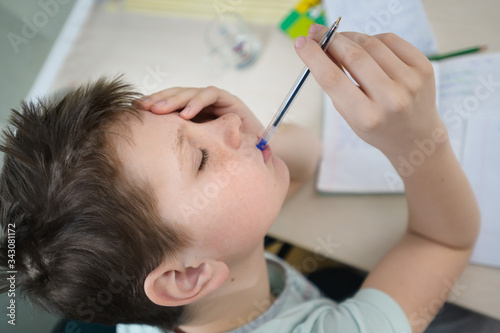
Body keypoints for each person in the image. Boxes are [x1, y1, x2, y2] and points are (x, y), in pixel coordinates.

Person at [1, 24, 497, 333]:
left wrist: (245, 139)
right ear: (187, 276)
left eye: (194, 119)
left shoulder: (181, 285)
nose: (228, 123)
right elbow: (444, 240)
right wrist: (418, 141)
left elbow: (299, 166)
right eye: (198, 159)